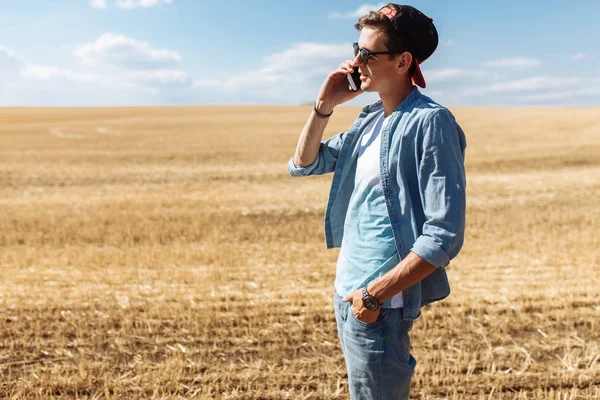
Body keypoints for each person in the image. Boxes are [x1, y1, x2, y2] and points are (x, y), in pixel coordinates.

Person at [287, 3, 467, 399]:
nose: (356, 62)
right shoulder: (369, 120)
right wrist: (324, 105)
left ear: (403, 62)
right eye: (357, 48)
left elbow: (444, 234)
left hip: (379, 304)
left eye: (368, 54)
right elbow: (304, 163)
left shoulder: (430, 122)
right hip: (348, 292)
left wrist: (374, 295)